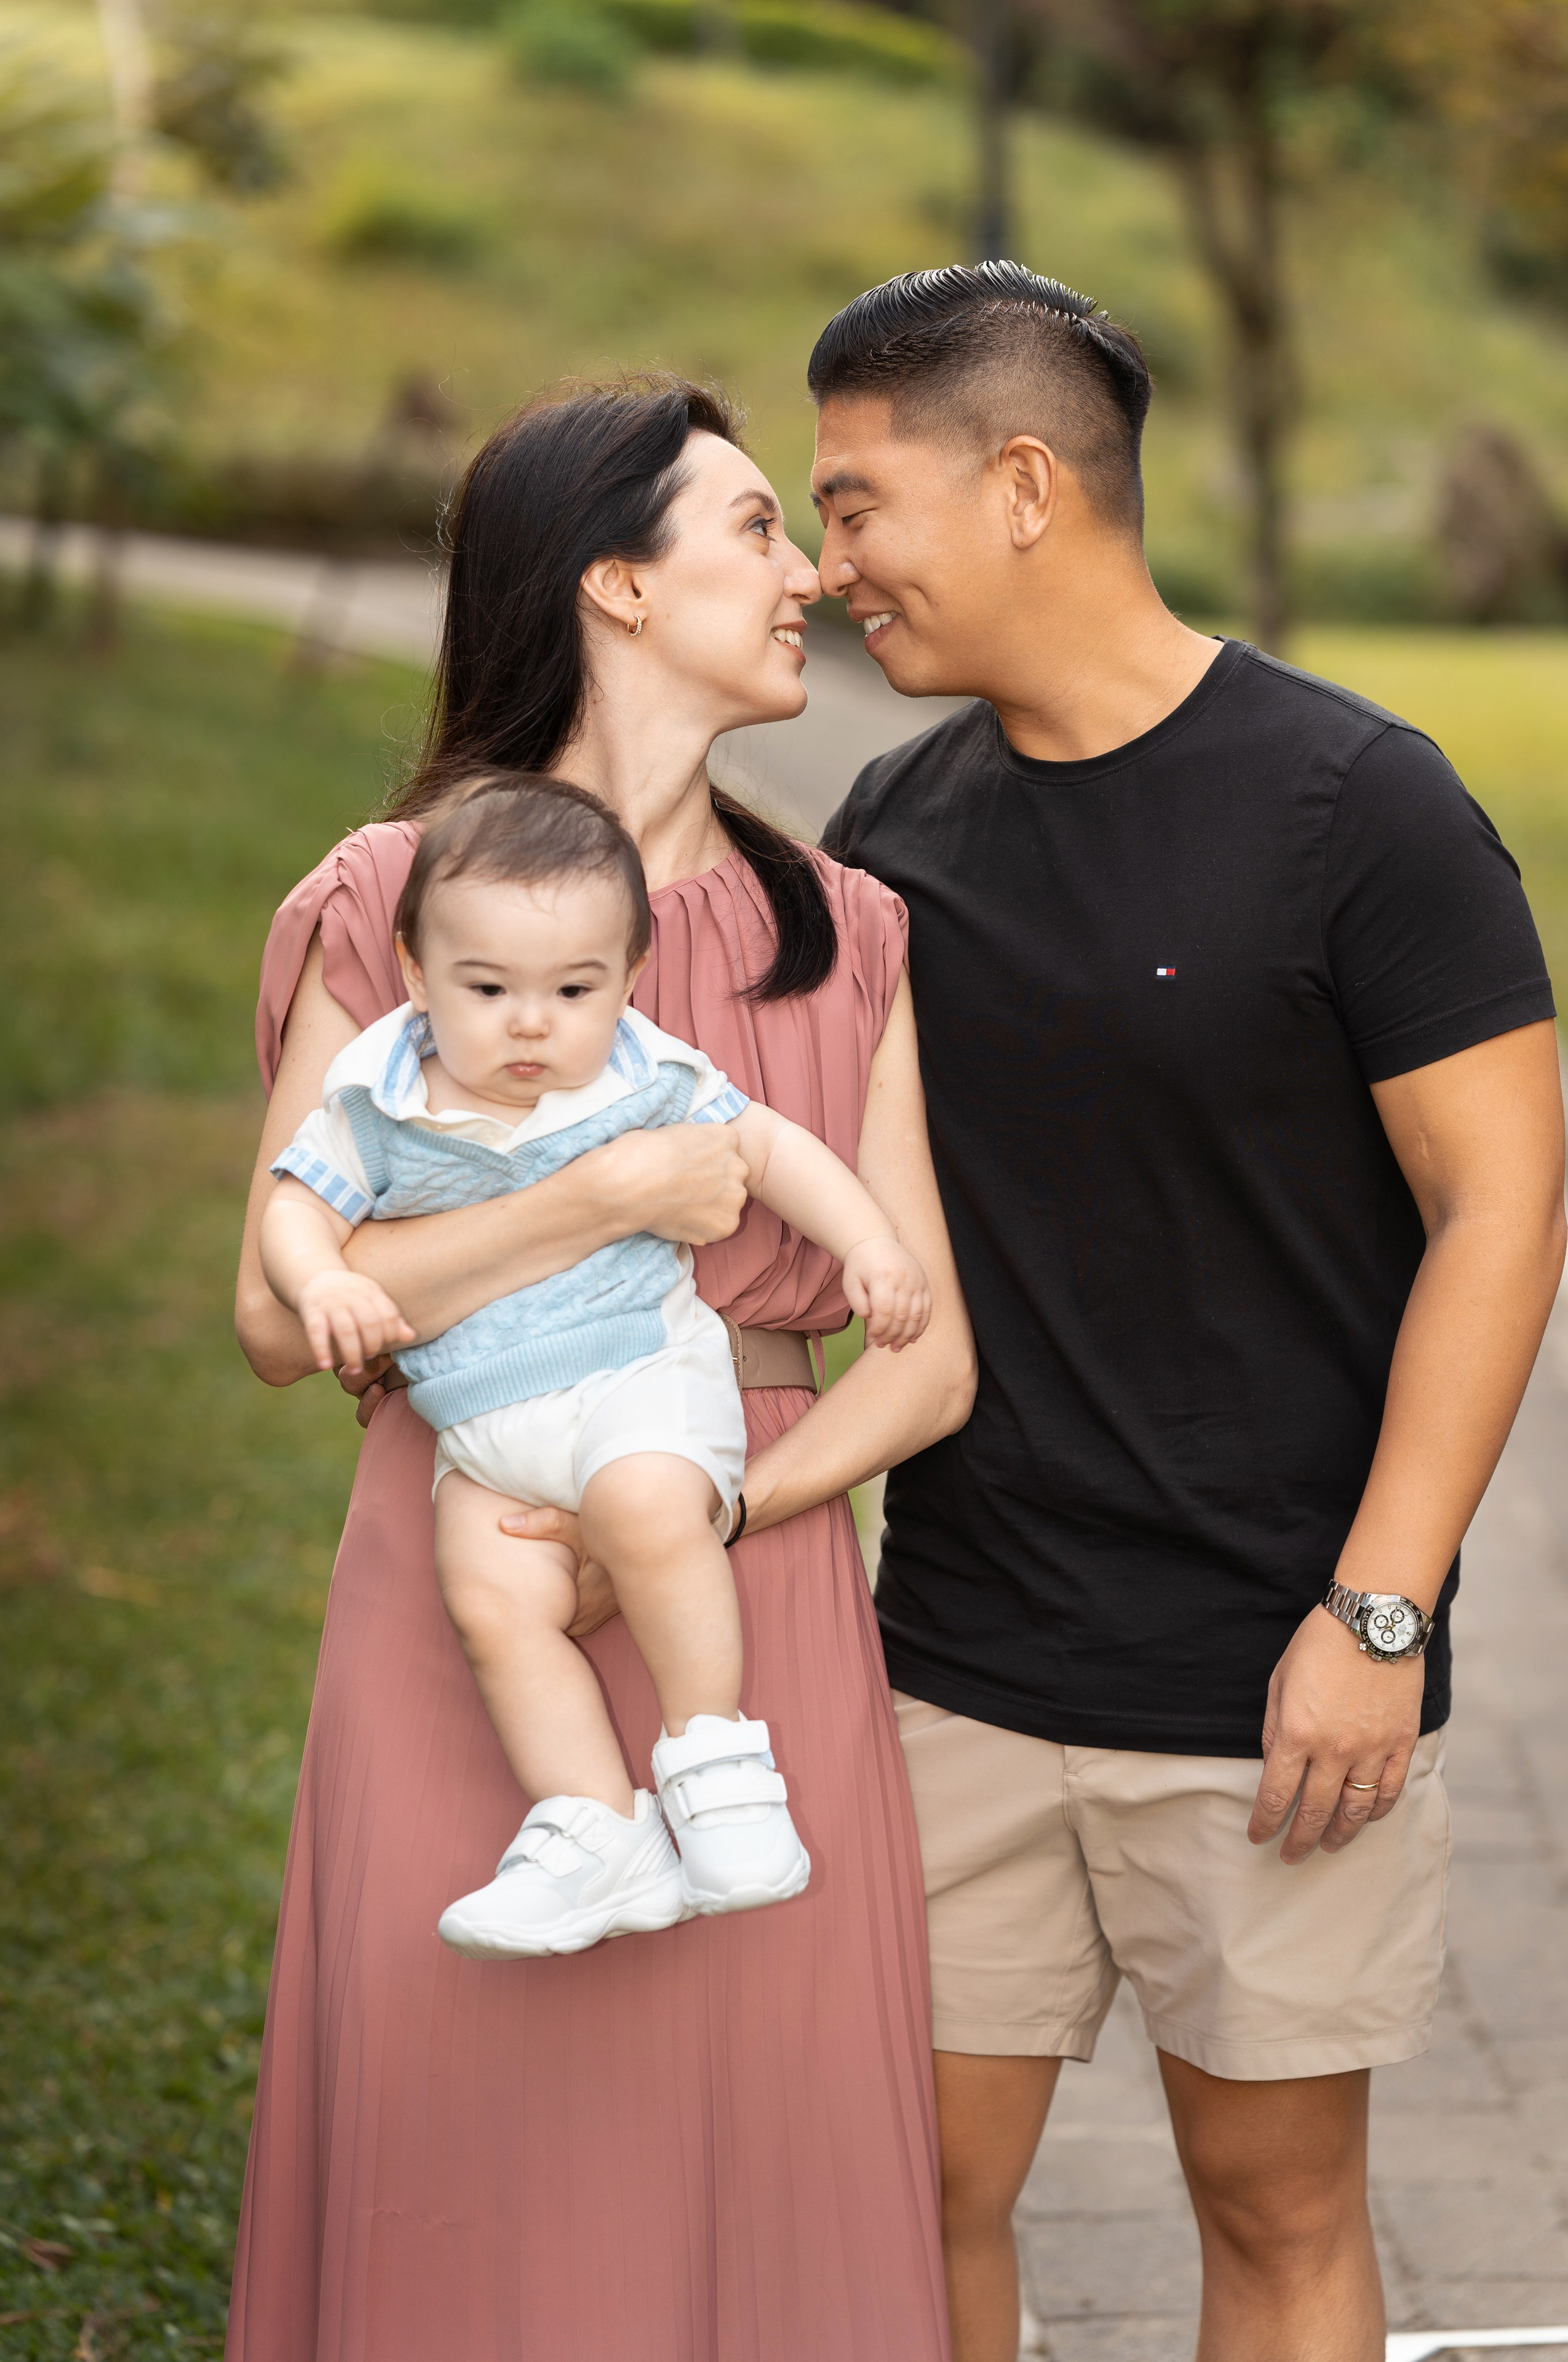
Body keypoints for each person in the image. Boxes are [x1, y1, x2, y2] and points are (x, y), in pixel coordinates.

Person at [811, 263, 1566, 2362]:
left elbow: (1504, 1209)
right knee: (911, 2192)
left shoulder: (1360, 803)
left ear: (1023, 486)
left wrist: (1380, 1616)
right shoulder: (894, 829)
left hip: (1273, 1676)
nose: (831, 561)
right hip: (959, 1657)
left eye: (859, 504)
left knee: (1275, 2207)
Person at [228, 379, 972, 2361]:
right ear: (616, 584)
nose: (811, 571)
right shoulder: (389, 901)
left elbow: (929, 1367)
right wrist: (605, 1200)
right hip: (466, 1562)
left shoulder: (849, 932)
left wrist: (701, 1517)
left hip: (752, 1573)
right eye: (757, 527)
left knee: (764, 2145)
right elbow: (277, 1312)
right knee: (469, 2145)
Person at [260, 769, 931, 1957]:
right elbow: (294, 1210)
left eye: (574, 989)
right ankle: (594, 1826)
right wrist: (321, 1280)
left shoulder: (639, 1073)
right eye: (488, 989)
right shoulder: (380, 1096)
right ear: (416, 973)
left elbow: (771, 1148)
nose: (533, 1023)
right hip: (482, 1429)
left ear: (627, 979)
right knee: (492, 1603)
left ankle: (716, 1763)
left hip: (636, 1377)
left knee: (642, 1505)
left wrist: (870, 1243)